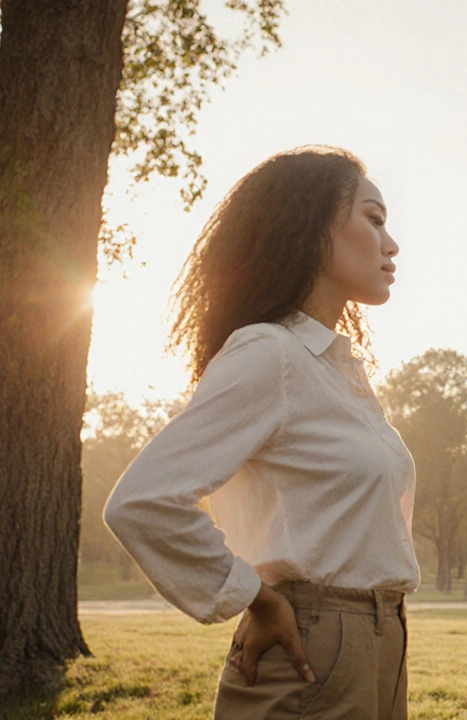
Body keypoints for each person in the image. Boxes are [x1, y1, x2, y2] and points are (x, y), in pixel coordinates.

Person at [105, 146, 417, 719]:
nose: (391, 244)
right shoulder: (268, 353)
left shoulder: (334, 369)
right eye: (373, 219)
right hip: (312, 642)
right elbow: (142, 501)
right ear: (312, 227)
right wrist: (252, 595)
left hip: (383, 641)